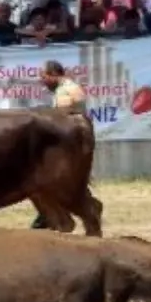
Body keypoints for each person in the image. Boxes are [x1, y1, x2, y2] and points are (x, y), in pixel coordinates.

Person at [31, 60, 87, 230]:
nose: (42, 81)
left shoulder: (66, 91)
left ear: (54, 74)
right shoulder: (65, 89)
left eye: (44, 76)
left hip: (68, 145)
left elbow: (61, 118)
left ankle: (51, 218)